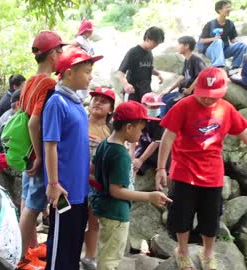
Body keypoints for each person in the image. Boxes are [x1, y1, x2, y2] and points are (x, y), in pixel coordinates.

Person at [156, 67, 247, 270]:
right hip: (183, 172)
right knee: (181, 217)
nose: (207, 100)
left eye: (213, 96)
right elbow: (168, 136)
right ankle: (182, 251)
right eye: (204, 95)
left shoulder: (226, 109)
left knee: (210, 218)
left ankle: (208, 253)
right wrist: (161, 167)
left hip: (213, 174)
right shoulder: (183, 106)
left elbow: (243, 131)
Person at [90, 101, 171, 270]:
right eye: (140, 129)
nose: (142, 134)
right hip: (116, 213)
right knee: (110, 258)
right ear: (128, 127)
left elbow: (92, 169)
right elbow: (116, 190)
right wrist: (149, 196)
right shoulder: (120, 154)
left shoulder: (106, 143)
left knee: (106, 251)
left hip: (103, 206)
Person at [43, 47, 102, 270]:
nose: (90, 77)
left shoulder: (76, 103)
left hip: (79, 190)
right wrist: (53, 183)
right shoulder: (57, 102)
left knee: (74, 242)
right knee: (60, 245)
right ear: (69, 72)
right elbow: (50, 145)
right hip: (63, 191)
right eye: (86, 72)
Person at [17, 30, 66, 270]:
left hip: (25, 151)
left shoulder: (29, 81)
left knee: (26, 202)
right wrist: (39, 157)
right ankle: (19, 257)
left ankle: (27, 250)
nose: (62, 55)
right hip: (35, 153)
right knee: (33, 208)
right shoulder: (48, 83)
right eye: (60, 50)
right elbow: (34, 122)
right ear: (53, 53)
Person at [81, 87, 116, 270]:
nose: (98, 102)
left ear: (111, 109)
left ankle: (90, 256)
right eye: (95, 99)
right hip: (75, 181)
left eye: (104, 100)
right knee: (72, 218)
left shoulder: (111, 132)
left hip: (97, 184)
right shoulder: (80, 122)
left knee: (94, 222)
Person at [160, 36, 207, 117]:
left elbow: (202, 75)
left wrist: (190, 89)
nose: (177, 47)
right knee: (163, 98)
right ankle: (161, 122)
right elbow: (182, 77)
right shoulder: (187, 60)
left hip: (191, 95)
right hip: (182, 92)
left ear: (187, 46)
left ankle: (164, 125)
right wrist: (168, 90)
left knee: (169, 104)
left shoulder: (196, 60)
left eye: (179, 44)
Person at [118, 26, 165, 102]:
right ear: (147, 39)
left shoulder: (149, 53)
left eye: (158, 43)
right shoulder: (133, 52)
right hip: (132, 92)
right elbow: (121, 72)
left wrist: (158, 74)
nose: (156, 46)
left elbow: (148, 67)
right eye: (155, 43)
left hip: (145, 91)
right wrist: (125, 84)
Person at [198, 0, 247, 73]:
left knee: (242, 45)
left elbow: (233, 39)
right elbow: (202, 40)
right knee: (218, 41)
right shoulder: (210, 24)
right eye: (227, 7)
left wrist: (238, 41)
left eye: (230, 7)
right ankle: (219, 67)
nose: (229, 9)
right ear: (219, 10)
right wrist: (213, 39)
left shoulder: (230, 24)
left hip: (224, 50)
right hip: (211, 51)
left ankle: (235, 68)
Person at [130, 92, 165, 176]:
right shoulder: (138, 118)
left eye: (157, 106)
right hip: (143, 146)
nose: (155, 109)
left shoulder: (160, 122)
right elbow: (133, 138)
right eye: (152, 107)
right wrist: (131, 155)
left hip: (157, 151)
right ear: (143, 105)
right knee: (132, 165)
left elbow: (155, 143)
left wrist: (141, 160)